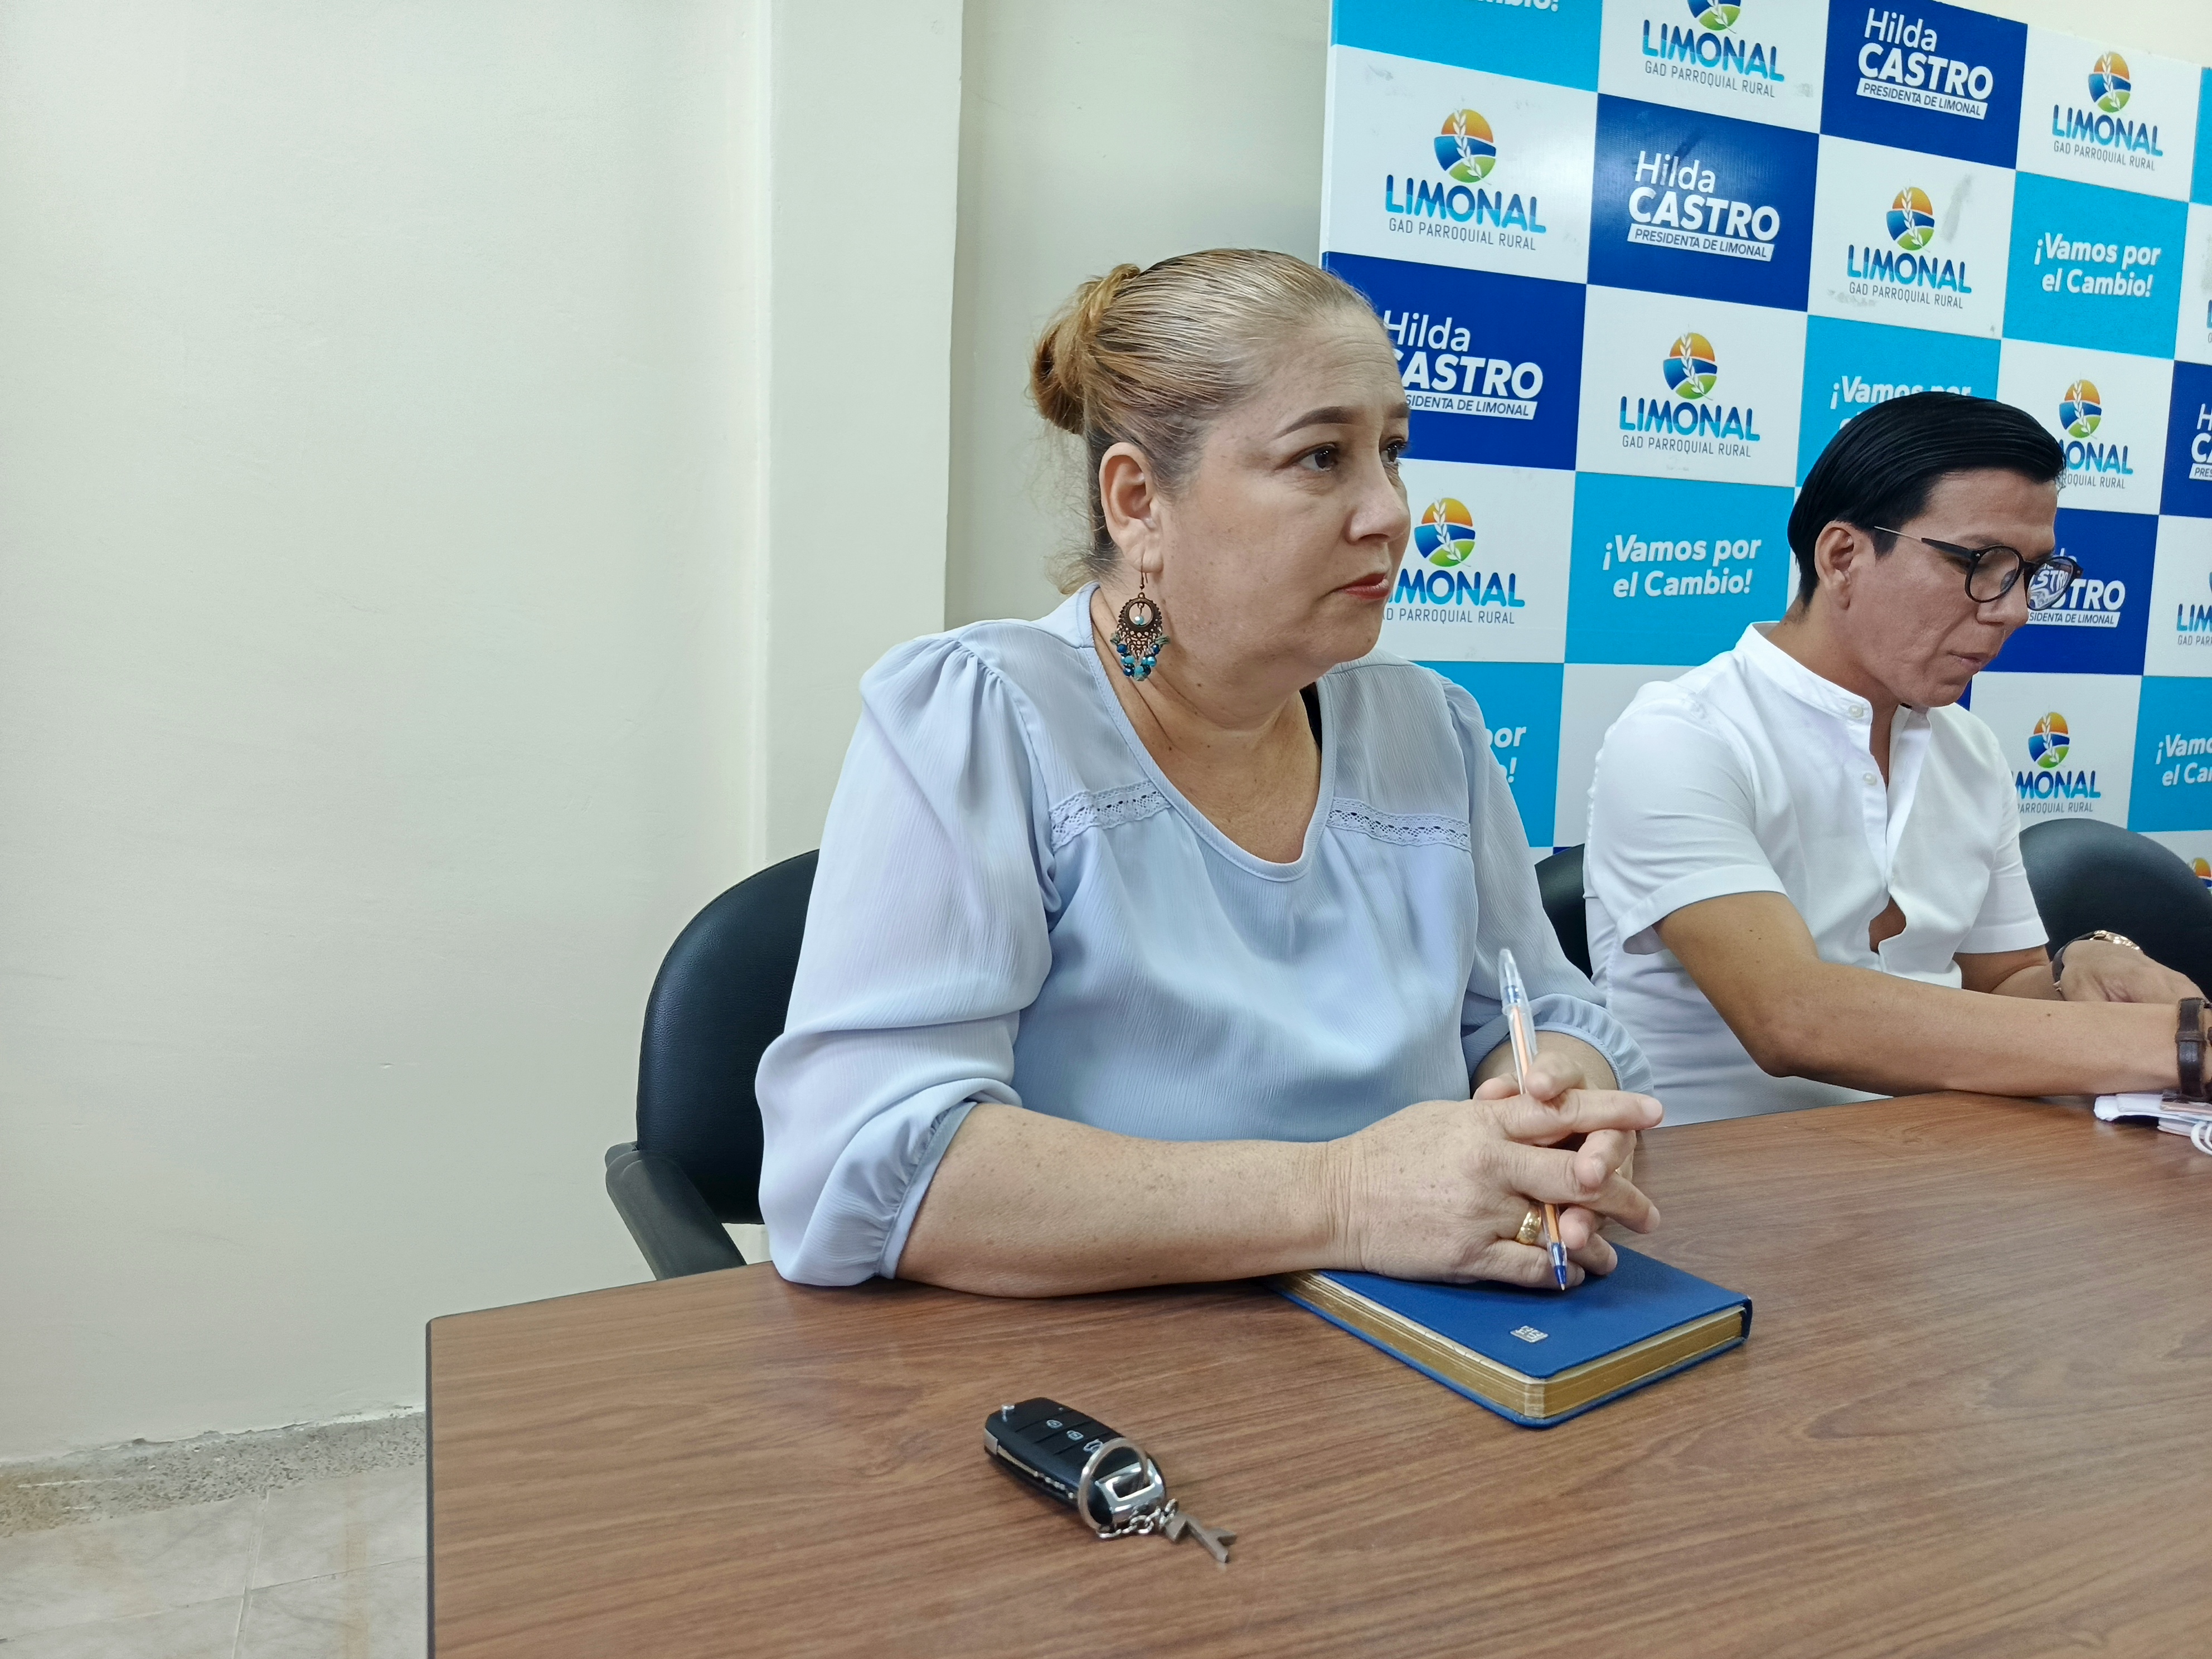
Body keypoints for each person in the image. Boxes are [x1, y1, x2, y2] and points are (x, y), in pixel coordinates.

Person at [757, 250, 1663, 1293]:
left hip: (1433, 1335)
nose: (1389, 512)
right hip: (1102, 1360)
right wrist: (1347, 1198)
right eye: (1320, 458)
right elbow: (863, 1163)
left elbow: (1537, 1013)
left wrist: (1556, 1105)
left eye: (1393, 453)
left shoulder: (1430, 728)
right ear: (1138, 500)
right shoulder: (985, 720)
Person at [1583, 391, 2203, 1123]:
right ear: (1842, 557)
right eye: (1983, 563)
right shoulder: (1681, 735)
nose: (2014, 609)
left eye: (2032, 571)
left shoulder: (1968, 748)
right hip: (1712, 1174)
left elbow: (2005, 983)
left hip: (1937, 1156)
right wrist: (2175, 1047)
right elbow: (1794, 1017)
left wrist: (2082, 963)